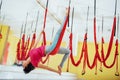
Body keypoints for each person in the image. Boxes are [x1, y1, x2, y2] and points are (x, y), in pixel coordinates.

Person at [22, 9, 70, 75]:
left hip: (51, 49)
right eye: (23, 66)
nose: (22, 64)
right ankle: (66, 15)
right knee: (59, 32)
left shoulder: (30, 55)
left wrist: (40, 34)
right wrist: (57, 72)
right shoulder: (35, 64)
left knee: (68, 52)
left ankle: (60, 65)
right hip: (50, 49)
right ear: (26, 66)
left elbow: (35, 44)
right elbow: (47, 68)